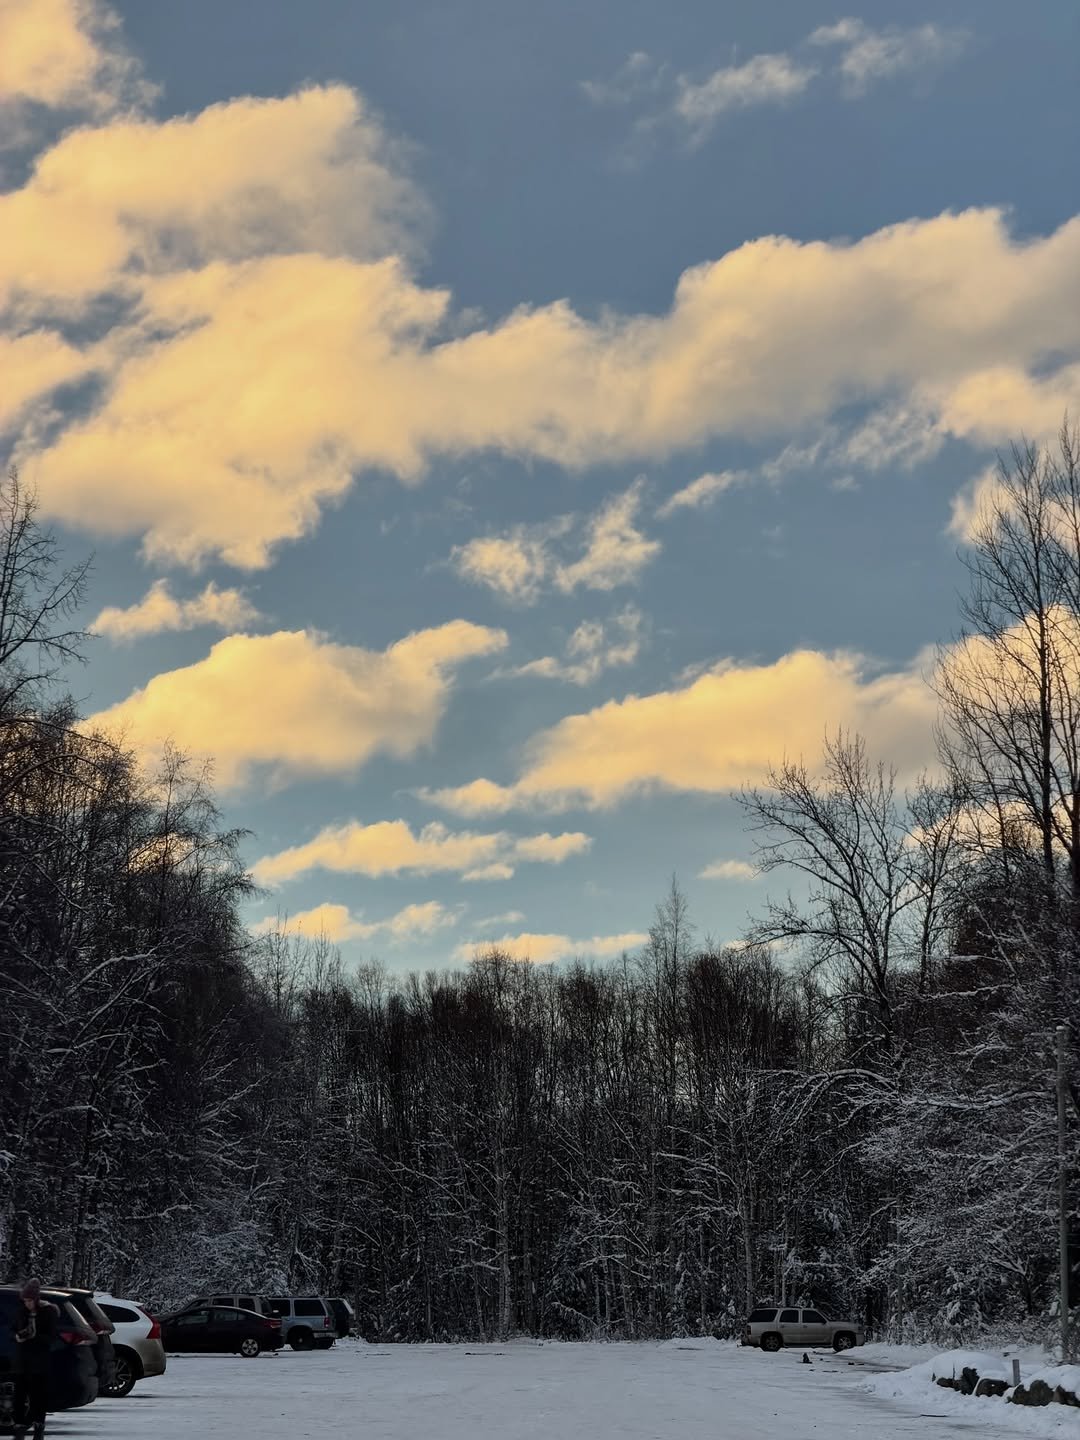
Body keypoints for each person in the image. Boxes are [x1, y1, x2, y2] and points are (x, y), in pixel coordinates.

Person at [12, 1278, 58, 1440]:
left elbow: (51, 1336)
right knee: (19, 1395)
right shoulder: (21, 1312)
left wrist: (35, 1336)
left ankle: (38, 1425)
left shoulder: (47, 1312)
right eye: (25, 1301)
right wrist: (19, 1335)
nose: (27, 1304)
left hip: (39, 1363)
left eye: (30, 1301)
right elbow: (14, 1329)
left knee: (38, 1396)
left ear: (36, 1299)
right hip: (22, 1362)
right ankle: (19, 1426)